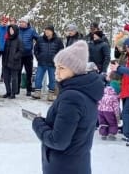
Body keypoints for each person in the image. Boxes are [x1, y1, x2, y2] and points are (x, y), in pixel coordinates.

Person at [31, 41, 104, 174]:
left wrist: (37, 123)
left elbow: (58, 141)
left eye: (62, 68)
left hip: (63, 167)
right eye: (56, 67)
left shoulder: (72, 97)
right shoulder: (84, 91)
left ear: (75, 69)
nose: (56, 72)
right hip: (77, 164)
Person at [33, 25, 64, 101]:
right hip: (42, 62)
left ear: (52, 31)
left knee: (52, 79)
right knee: (38, 78)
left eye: (48, 30)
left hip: (52, 64)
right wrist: (38, 57)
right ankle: (37, 92)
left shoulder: (58, 40)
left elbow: (61, 51)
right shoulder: (40, 39)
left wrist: (57, 60)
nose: (46, 32)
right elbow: (36, 49)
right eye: (45, 30)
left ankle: (51, 94)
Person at [18, 17, 39, 96]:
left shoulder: (31, 30)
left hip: (28, 55)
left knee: (29, 73)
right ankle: (17, 89)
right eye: (20, 22)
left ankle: (29, 90)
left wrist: (35, 48)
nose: (22, 23)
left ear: (27, 23)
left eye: (23, 22)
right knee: (17, 72)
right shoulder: (17, 30)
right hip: (19, 55)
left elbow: (38, 40)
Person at [2, 24, 24, 99]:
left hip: (14, 62)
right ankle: (8, 91)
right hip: (6, 61)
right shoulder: (7, 39)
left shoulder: (19, 39)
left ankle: (13, 93)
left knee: (14, 79)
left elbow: (21, 51)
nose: (11, 31)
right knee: (6, 78)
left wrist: (15, 57)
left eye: (12, 30)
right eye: (10, 30)